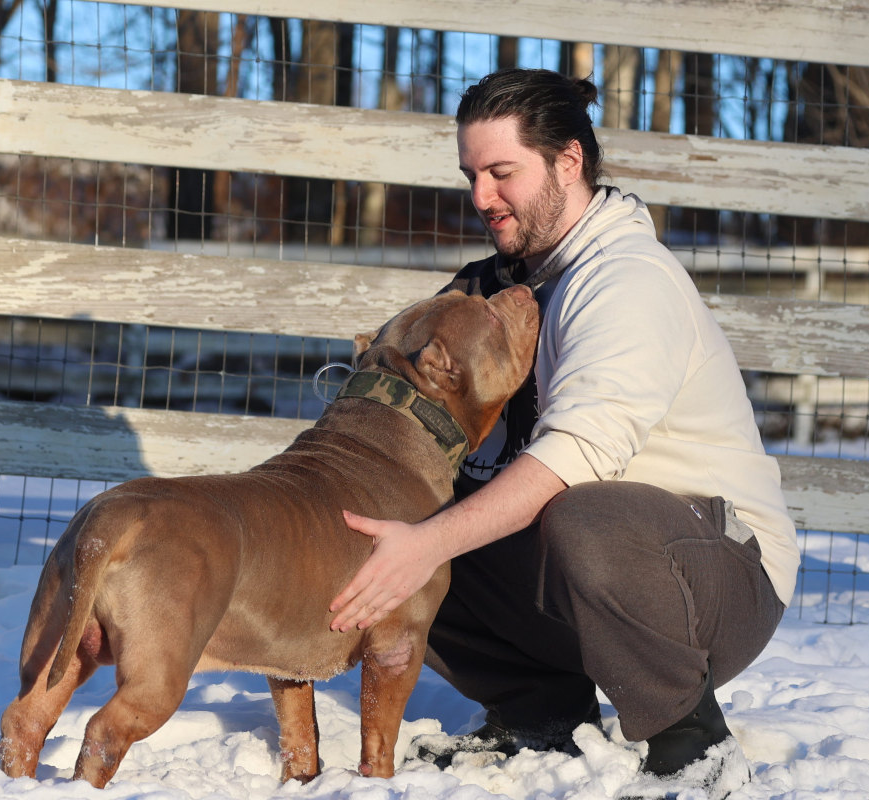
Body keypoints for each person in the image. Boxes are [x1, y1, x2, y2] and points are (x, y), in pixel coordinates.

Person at [329, 68, 800, 792]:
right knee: (392, 517)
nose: (482, 196)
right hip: (584, 571)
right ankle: (537, 716)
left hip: (714, 576)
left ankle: (694, 748)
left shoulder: (627, 281)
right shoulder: (493, 282)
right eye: (471, 174)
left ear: (568, 162)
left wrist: (428, 545)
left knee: (579, 516)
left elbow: (576, 455)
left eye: (501, 172)